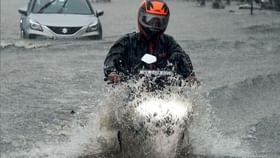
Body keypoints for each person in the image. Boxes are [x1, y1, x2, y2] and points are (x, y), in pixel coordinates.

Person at [104, 0, 199, 85]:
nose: (154, 26)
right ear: (141, 18)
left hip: (165, 92)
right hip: (132, 91)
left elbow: (181, 56)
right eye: (150, 20)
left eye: (159, 22)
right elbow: (112, 58)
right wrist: (112, 73)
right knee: (116, 103)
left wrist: (189, 75)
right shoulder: (127, 41)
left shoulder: (169, 42)